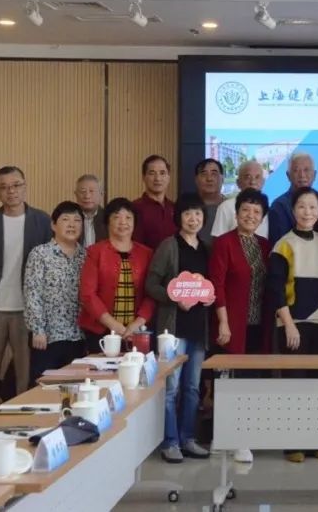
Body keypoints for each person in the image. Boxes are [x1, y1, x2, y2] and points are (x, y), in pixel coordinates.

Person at [0, 166, 51, 412]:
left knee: (25, 374)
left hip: (27, 310)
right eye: (4, 187)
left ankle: (24, 417)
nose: (11, 191)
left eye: (16, 185)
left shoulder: (42, 220)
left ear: (25, 186)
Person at [268, 187, 318, 464]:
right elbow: (275, 289)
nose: (308, 212)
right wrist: (288, 324)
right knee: (294, 384)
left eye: (313, 207)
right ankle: (293, 444)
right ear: (293, 210)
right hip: (293, 324)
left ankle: (317, 441)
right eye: (302, 207)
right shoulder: (283, 245)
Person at [145, 194, 212, 463]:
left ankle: (188, 439)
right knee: (171, 388)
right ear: (178, 217)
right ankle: (170, 441)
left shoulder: (206, 248)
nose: (193, 219)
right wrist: (174, 297)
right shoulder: (169, 246)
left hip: (198, 329)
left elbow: (210, 285)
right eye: (187, 214)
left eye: (197, 214)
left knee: (193, 388)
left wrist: (208, 297)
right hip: (173, 329)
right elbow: (151, 284)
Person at [209, 188, 271, 465]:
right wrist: (223, 321)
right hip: (232, 323)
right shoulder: (224, 243)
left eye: (257, 212)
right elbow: (217, 285)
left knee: (251, 380)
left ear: (262, 218)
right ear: (236, 214)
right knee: (228, 381)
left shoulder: (265, 246)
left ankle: (245, 435)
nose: (250, 215)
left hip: (258, 324)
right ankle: (223, 435)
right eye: (245, 210)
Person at [78, 198, 155, 354]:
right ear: (108, 222)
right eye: (116, 217)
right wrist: (114, 325)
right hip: (101, 330)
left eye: (128, 217)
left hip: (136, 331)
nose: (123, 222)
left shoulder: (146, 253)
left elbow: (151, 293)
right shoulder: (95, 252)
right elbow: (88, 294)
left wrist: (137, 324)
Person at [23, 202, 86, 382]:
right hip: (48, 336)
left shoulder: (86, 256)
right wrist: (38, 330)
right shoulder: (40, 254)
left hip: (78, 335)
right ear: (53, 225)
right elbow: (32, 293)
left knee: (75, 386)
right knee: (44, 386)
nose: (71, 225)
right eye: (65, 219)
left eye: (77, 220)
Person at [211, 160, 269, 240]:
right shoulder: (225, 207)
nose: (253, 182)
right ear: (238, 182)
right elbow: (217, 241)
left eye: (257, 177)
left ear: (263, 182)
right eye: (247, 177)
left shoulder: (267, 209)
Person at [268, 152, 316, 244]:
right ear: (288, 175)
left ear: (314, 175)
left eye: (306, 170)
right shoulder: (279, 206)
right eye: (296, 170)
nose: (302, 175)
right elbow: (277, 245)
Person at [132, 154, 175, 249]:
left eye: (162, 173)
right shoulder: (134, 208)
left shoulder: (175, 208)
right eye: (152, 173)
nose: (157, 178)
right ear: (143, 177)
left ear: (168, 177)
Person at [193, 158, 225, 244]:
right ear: (196, 180)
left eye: (214, 174)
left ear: (222, 179)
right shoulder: (187, 207)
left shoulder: (232, 208)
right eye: (204, 174)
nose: (209, 179)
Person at [74, 174, 106, 248]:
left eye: (92, 191)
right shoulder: (69, 219)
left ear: (101, 195)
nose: (87, 196)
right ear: (76, 195)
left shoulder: (108, 219)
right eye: (83, 191)